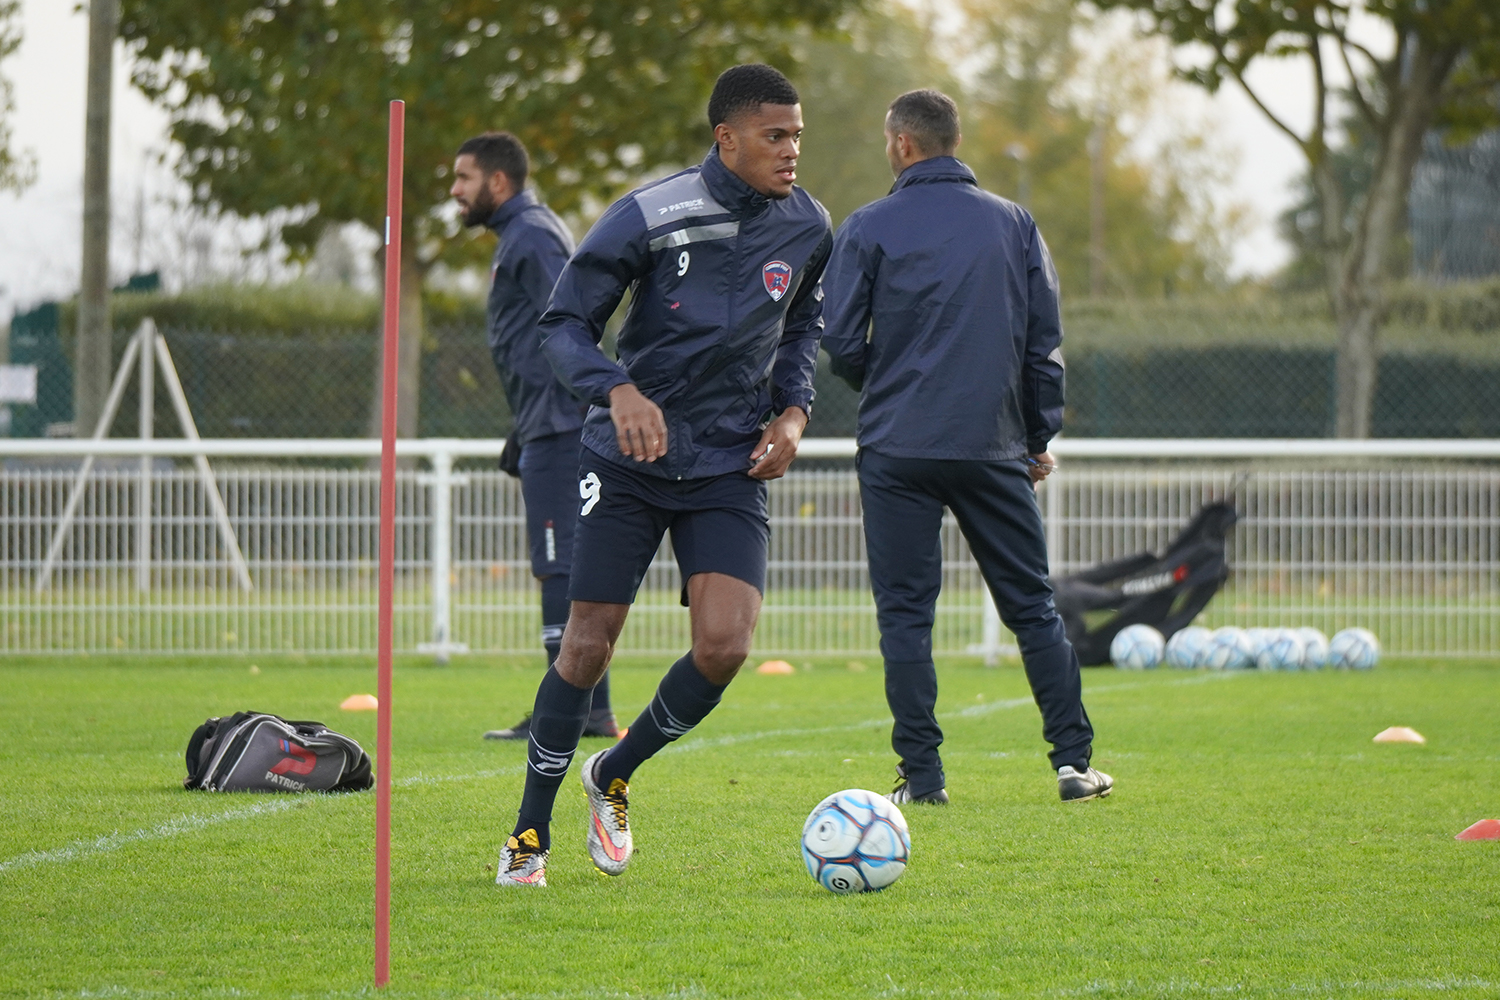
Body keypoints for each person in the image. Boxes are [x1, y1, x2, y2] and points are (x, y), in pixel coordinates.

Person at [494, 64, 833, 887]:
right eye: (775, 136)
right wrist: (618, 390)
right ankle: (527, 837)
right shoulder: (652, 212)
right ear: (727, 137)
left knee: (724, 646)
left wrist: (792, 415)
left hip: (728, 461)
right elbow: (565, 322)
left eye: (797, 136)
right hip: (628, 458)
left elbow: (803, 330)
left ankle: (613, 773)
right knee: (584, 646)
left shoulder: (810, 226)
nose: (792, 151)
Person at [819, 89, 1112, 807]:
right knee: (1032, 607)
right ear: (953, 141)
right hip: (990, 445)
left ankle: (924, 779)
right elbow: (1044, 346)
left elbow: (836, 340)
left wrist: (883, 382)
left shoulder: (868, 225)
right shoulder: (1015, 224)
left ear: (901, 145)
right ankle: (1073, 764)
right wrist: (1037, 437)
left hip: (896, 447)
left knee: (906, 615)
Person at [448, 132, 619, 741]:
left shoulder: (534, 235)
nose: (454, 190)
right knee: (567, 565)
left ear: (498, 182)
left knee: (561, 565)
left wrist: (559, 416)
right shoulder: (520, 237)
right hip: (545, 424)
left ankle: (567, 711)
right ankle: (590, 710)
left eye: (463, 178)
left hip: (561, 426)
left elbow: (571, 325)